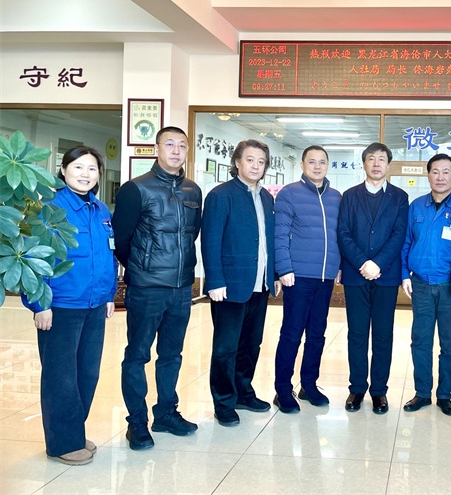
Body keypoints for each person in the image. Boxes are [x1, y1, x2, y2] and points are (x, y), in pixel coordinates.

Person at [22, 146, 117, 465]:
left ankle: (72, 432)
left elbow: (108, 254)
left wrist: (108, 295)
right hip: (60, 305)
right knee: (60, 377)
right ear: (63, 170)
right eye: (78, 167)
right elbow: (32, 258)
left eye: (92, 169)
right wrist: (40, 304)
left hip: (94, 304)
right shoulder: (49, 208)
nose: (85, 174)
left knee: (87, 374)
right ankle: (62, 442)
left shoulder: (100, 210)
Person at [114, 126, 202, 450]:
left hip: (181, 287)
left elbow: (191, 234)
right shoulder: (135, 189)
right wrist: (143, 267)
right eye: (170, 144)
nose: (176, 151)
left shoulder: (193, 190)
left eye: (182, 145)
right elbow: (121, 240)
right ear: (156, 148)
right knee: (137, 355)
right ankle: (136, 422)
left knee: (171, 355)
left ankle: (166, 413)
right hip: (147, 287)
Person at [201, 139, 279, 427]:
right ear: (237, 162)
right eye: (250, 160)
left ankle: (244, 392)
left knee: (251, 343)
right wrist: (215, 280)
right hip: (230, 285)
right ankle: (223, 401)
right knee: (226, 347)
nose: (256, 166)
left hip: (260, 284)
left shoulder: (267, 198)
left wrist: (273, 275)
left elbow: (268, 241)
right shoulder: (221, 195)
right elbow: (210, 241)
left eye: (261, 161)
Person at [337, 142, 409, 415]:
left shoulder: (400, 197)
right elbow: (343, 232)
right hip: (356, 276)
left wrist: (377, 264)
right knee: (356, 334)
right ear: (364, 163)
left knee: (382, 335)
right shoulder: (349, 196)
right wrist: (362, 263)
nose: (376, 163)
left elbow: (399, 234)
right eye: (371, 158)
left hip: (386, 276)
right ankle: (357, 388)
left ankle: (379, 391)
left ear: (388, 164)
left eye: (381, 159)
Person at [273, 145, 341, 413]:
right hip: (298, 276)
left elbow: (339, 235)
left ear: (327, 165)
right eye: (311, 161)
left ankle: (309, 385)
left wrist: (338, 267)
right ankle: (282, 390)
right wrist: (284, 269)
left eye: (322, 162)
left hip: (325, 278)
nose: (317, 166)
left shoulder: (336, 197)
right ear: (302, 165)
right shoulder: (289, 193)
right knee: (292, 334)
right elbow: (280, 234)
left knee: (316, 335)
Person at [400, 153, 451, 417]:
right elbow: (406, 242)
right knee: (420, 340)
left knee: (450, 344)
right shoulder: (416, 206)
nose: (440, 177)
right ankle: (422, 393)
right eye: (435, 171)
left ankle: (445, 395)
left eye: (446, 171)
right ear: (428, 175)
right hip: (421, 284)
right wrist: (405, 274)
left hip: (450, 286)